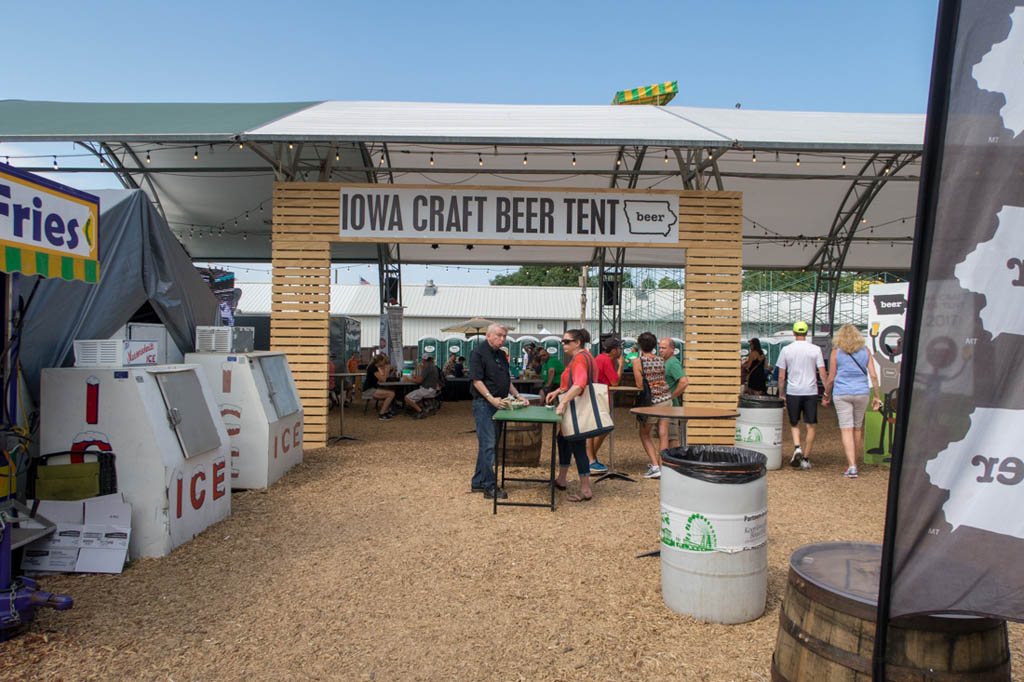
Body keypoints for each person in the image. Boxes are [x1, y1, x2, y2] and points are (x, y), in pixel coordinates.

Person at [822, 324, 883, 478]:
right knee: (857, 428)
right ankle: (853, 462)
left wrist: (826, 394)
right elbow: (874, 376)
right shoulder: (866, 352)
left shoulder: (836, 352)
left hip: (842, 393)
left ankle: (852, 466)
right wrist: (877, 395)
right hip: (862, 392)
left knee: (846, 429)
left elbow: (831, 378)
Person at [470, 324, 522, 500]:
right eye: (499, 336)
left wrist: (517, 395)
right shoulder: (477, 353)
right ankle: (489, 486)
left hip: (500, 403)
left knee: (488, 445)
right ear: (488, 335)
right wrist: (491, 398)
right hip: (485, 405)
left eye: (504, 336)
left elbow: (506, 380)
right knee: (489, 445)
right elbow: (477, 381)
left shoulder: (501, 354)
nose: (502, 339)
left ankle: (478, 481)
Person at [545, 328, 595, 502]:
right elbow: (572, 382)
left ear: (578, 342)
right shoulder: (585, 356)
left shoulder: (580, 358)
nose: (563, 344)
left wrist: (564, 401)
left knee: (578, 446)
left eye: (566, 341)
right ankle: (561, 478)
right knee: (563, 440)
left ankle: (586, 489)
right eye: (563, 341)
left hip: (575, 410)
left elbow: (579, 384)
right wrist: (558, 390)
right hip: (575, 409)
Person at [777, 321, 827, 469]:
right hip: (810, 391)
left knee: (794, 423)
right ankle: (805, 458)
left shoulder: (786, 350)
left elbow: (781, 376)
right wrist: (827, 392)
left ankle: (797, 447)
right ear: (806, 333)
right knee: (811, 425)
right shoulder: (815, 349)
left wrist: (781, 394)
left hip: (793, 391)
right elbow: (823, 374)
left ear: (793, 333)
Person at [633, 332, 672, 479]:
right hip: (666, 397)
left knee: (644, 434)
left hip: (652, 401)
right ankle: (663, 466)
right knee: (663, 434)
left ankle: (655, 466)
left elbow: (639, 384)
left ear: (639, 345)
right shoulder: (661, 360)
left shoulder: (638, 361)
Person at [585, 334, 624, 472]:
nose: (621, 351)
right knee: (603, 428)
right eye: (619, 348)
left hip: (596, 395)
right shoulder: (606, 361)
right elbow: (615, 381)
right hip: (600, 397)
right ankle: (590, 459)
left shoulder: (599, 358)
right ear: (613, 350)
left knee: (599, 428)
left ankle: (591, 458)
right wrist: (621, 366)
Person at [659, 337, 689, 448]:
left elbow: (684, 382)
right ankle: (664, 462)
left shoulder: (673, 363)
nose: (661, 350)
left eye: (664, 348)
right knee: (664, 436)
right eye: (660, 348)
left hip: (671, 408)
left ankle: (671, 462)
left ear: (672, 349)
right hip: (664, 407)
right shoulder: (665, 361)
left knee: (671, 437)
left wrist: (671, 396)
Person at [406, 355, 441, 419]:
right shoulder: (433, 366)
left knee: (407, 398)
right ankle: (426, 407)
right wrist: (416, 377)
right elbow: (423, 378)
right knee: (415, 396)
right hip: (432, 389)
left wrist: (409, 379)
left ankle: (421, 412)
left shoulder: (426, 367)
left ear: (424, 360)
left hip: (426, 390)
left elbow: (419, 381)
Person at [363, 354, 396, 420]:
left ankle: (385, 412)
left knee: (390, 393)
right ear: (379, 361)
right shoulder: (373, 368)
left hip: (371, 389)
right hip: (369, 390)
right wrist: (386, 370)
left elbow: (380, 379)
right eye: (383, 361)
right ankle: (382, 414)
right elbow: (383, 380)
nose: (384, 363)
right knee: (391, 394)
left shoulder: (374, 367)